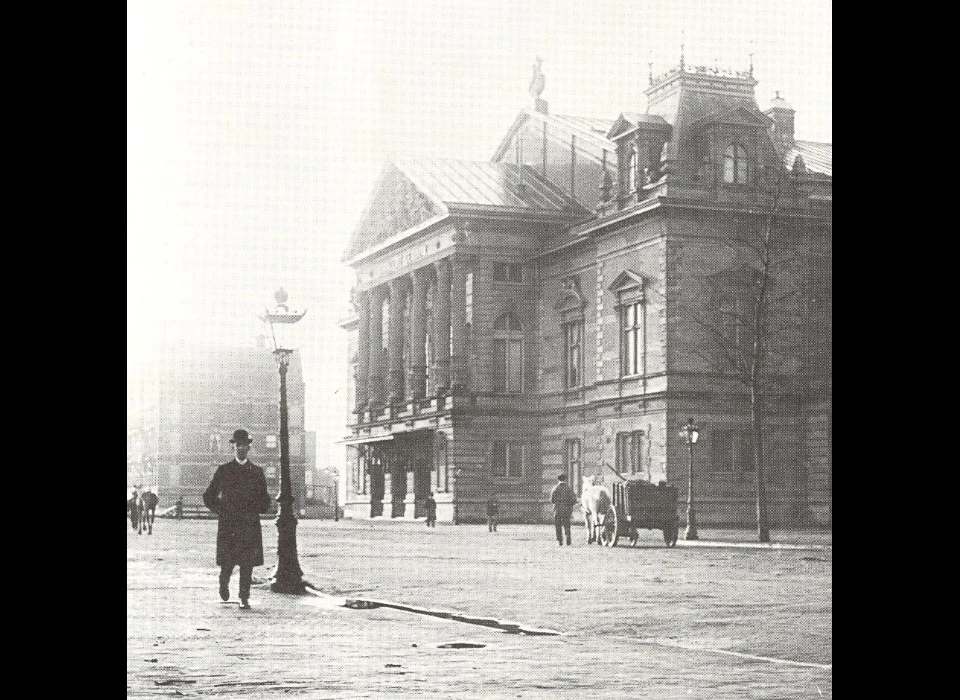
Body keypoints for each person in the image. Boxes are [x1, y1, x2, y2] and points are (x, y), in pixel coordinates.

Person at [203, 429, 271, 609]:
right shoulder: (224, 470)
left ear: (249, 448)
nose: (240, 449)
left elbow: (264, 498)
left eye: (244, 446)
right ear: (233, 448)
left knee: (247, 563)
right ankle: (223, 583)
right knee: (228, 561)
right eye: (237, 446)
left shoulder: (256, 472)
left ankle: (244, 597)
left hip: (249, 524)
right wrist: (222, 510)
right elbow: (208, 496)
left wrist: (259, 507)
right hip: (229, 525)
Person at [550, 474, 577, 546]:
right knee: (567, 524)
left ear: (558, 480)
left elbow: (552, 500)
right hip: (567, 510)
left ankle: (560, 540)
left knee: (558, 525)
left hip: (558, 510)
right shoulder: (569, 489)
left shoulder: (555, 489)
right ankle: (568, 538)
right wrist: (569, 505)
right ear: (565, 479)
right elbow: (574, 500)